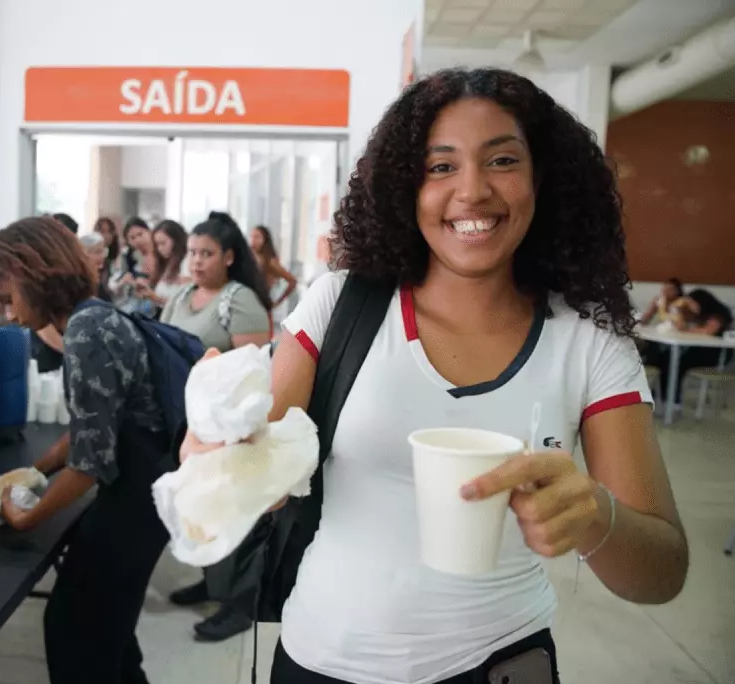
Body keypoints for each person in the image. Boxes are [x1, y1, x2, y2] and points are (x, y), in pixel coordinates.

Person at [184, 68, 688, 683]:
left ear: (542, 179)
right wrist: (217, 451)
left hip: (500, 664)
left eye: (502, 159)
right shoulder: (340, 304)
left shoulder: (590, 343)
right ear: (405, 186)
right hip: (319, 660)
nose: (472, 191)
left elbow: (663, 573)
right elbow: (257, 478)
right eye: (441, 166)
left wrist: (594, 515)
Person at [0, 215, 169, 684]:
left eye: (10, 299)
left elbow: (90, 464)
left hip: (133, 506)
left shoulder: (86, 332)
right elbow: (96, 425)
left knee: (75, 635)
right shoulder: (95, 315)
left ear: (36, 277)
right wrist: (36, 468)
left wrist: (28, 514)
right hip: (146, 498)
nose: (10, 314)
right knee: (112, 639)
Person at [161, 211, 273, 642]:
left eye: (206, 253)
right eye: (192, 252)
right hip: (190, 426)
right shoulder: (182, 296)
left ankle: (239, 604)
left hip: (228, 428)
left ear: (228, 257)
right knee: (204, 508)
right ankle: (211, 582)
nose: (196, 261)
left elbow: (255, 370)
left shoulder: (239, 299)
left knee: (237, 514)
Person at [644, 288, 732, 403]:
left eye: (692, 303)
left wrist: (684, 329)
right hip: (697, 349)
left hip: (717, 353)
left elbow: (707, 331)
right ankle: (663, 393)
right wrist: (677, 311)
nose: (691, 307)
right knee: (663, 358)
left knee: (677, 363)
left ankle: (672, 398)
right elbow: (678, 323)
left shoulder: (719, 314)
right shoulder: (697, 314)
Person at [138, 219, 190, 308]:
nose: (160, 248)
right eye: (157, 245)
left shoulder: (187, 263)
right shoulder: (166, 263)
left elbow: (184, 304)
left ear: (176, 240)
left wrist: (155, 298)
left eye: (163, 243)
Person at [250, 225, 298, 319]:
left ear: (265, 240)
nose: (253, 240)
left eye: (257, 237)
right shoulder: (249, 259)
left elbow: (292, 281)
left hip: (261, 309)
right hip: (247, 308)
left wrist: (277, 302)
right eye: (251, 236)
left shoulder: (271, 262)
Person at [79, 232, 114, 301]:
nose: (102, 256)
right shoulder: (80, 283)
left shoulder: (98, 276)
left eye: (103, 251)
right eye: (97, 252)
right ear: (83, 255)